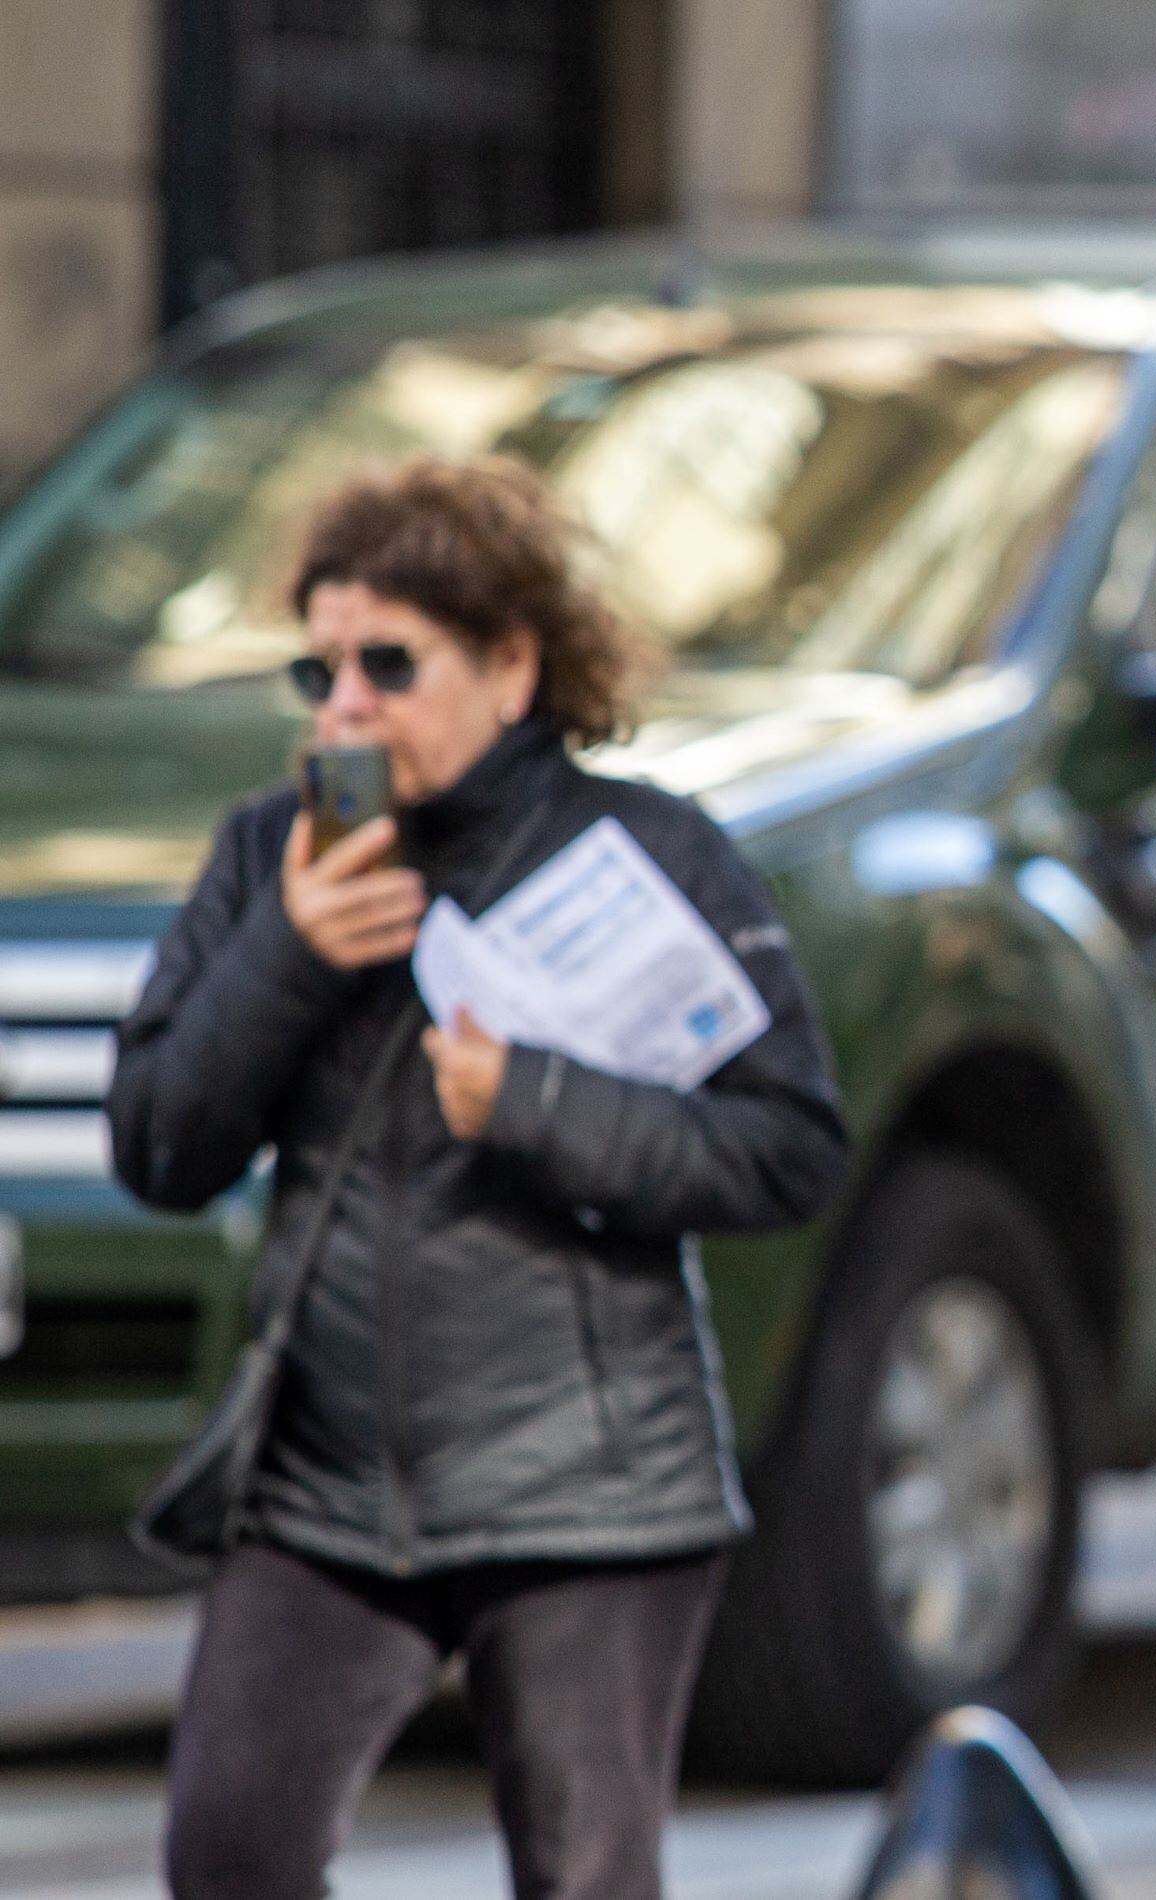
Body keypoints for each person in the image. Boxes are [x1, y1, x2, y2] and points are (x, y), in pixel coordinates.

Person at [109, 457, 849, 1900]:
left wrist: (538, 1101)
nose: (346, 707)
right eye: (315, 667)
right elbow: (158, 1148)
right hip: (326, 1489)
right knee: (228, 1851)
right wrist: (285, 955)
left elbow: (789, 1148)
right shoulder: (278, 854)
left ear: (513, 668)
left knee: (584, 1879)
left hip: (588, 1492)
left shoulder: (649, 851)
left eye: (390, 663)